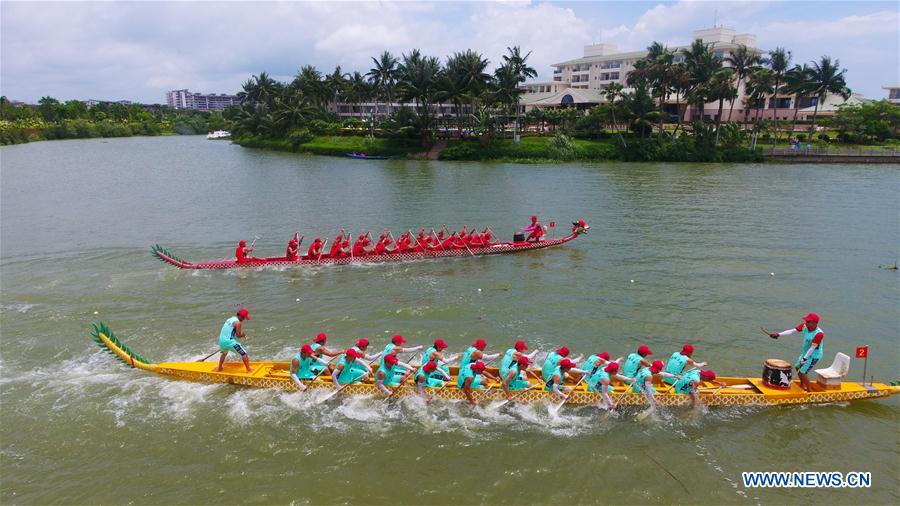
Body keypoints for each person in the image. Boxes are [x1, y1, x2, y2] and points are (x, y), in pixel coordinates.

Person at [769, 312, 825, 392]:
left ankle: (810, 391)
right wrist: (778, 334)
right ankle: (803, 385)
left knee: (803, 372)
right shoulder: (804, 326)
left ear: (815, 323)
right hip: (806, 353)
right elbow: (792, 331)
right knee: (797, 367)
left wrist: (805, 359)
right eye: (806, 321)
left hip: (814, 355)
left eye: (808, 322)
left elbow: (812, 348)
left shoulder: (819, 334)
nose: (806, 323)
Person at [214, 308, 252, 373]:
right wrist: (242, 334)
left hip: (221, 340)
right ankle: (249, 370)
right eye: (243, 317)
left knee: (224, 353)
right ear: (240, 315)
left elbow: (229, 330)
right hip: (229, 341)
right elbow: (238, 336)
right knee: (244, 353)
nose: (244, 319)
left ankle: (219, 368)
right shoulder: (238, 323)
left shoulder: (230, 319)